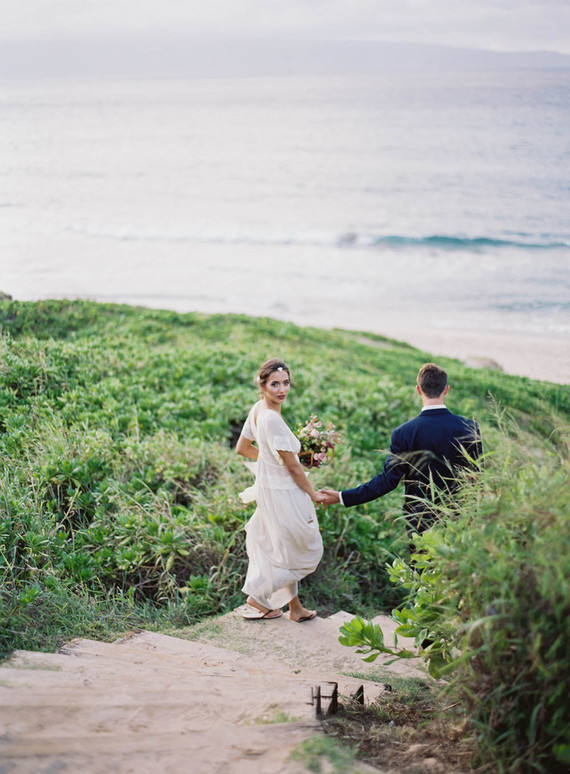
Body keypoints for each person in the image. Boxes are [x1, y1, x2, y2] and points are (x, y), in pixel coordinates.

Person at [319, 363, 482, 539]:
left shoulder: (404, 433)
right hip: (460, 521)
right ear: (446, 389)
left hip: (420, 522)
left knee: (420, 566)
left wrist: (343, 497)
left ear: (419, 390)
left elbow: (387, 481)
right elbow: (477, 477)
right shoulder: (469, 427)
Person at [236, 358, 326, 622]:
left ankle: (295, 609)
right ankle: (258, 595)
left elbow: (243, 448)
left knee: (281, 548)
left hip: (268, 490)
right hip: (284, 494)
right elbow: (293, 469)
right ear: (262, 385)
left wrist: (272, 462)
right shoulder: (271, 419)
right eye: (274, 384)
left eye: (286, 383)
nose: (281, 389)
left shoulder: (258, 409)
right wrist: (313, 493)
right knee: (307, 551)